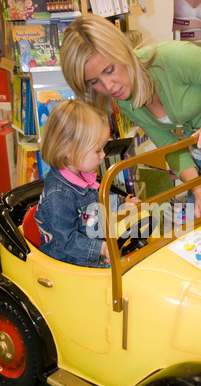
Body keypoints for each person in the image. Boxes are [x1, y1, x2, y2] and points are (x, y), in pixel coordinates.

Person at [60, 14, 201, 266]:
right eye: (94, 81)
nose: (108, 86)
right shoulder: (123, 98)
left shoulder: (173, 58)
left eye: (110, 70)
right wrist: (197, 188)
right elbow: (170, 147)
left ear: (122, 51)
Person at [34, 99, 139, 267]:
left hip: (91, 243)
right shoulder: (59, 195)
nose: (103, 155)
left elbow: (96, 196)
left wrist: (121, 203)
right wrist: (100, 248)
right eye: (97, 150)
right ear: (68, 152)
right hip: (69, 260)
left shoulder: (82, 173)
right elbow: (67, 241)